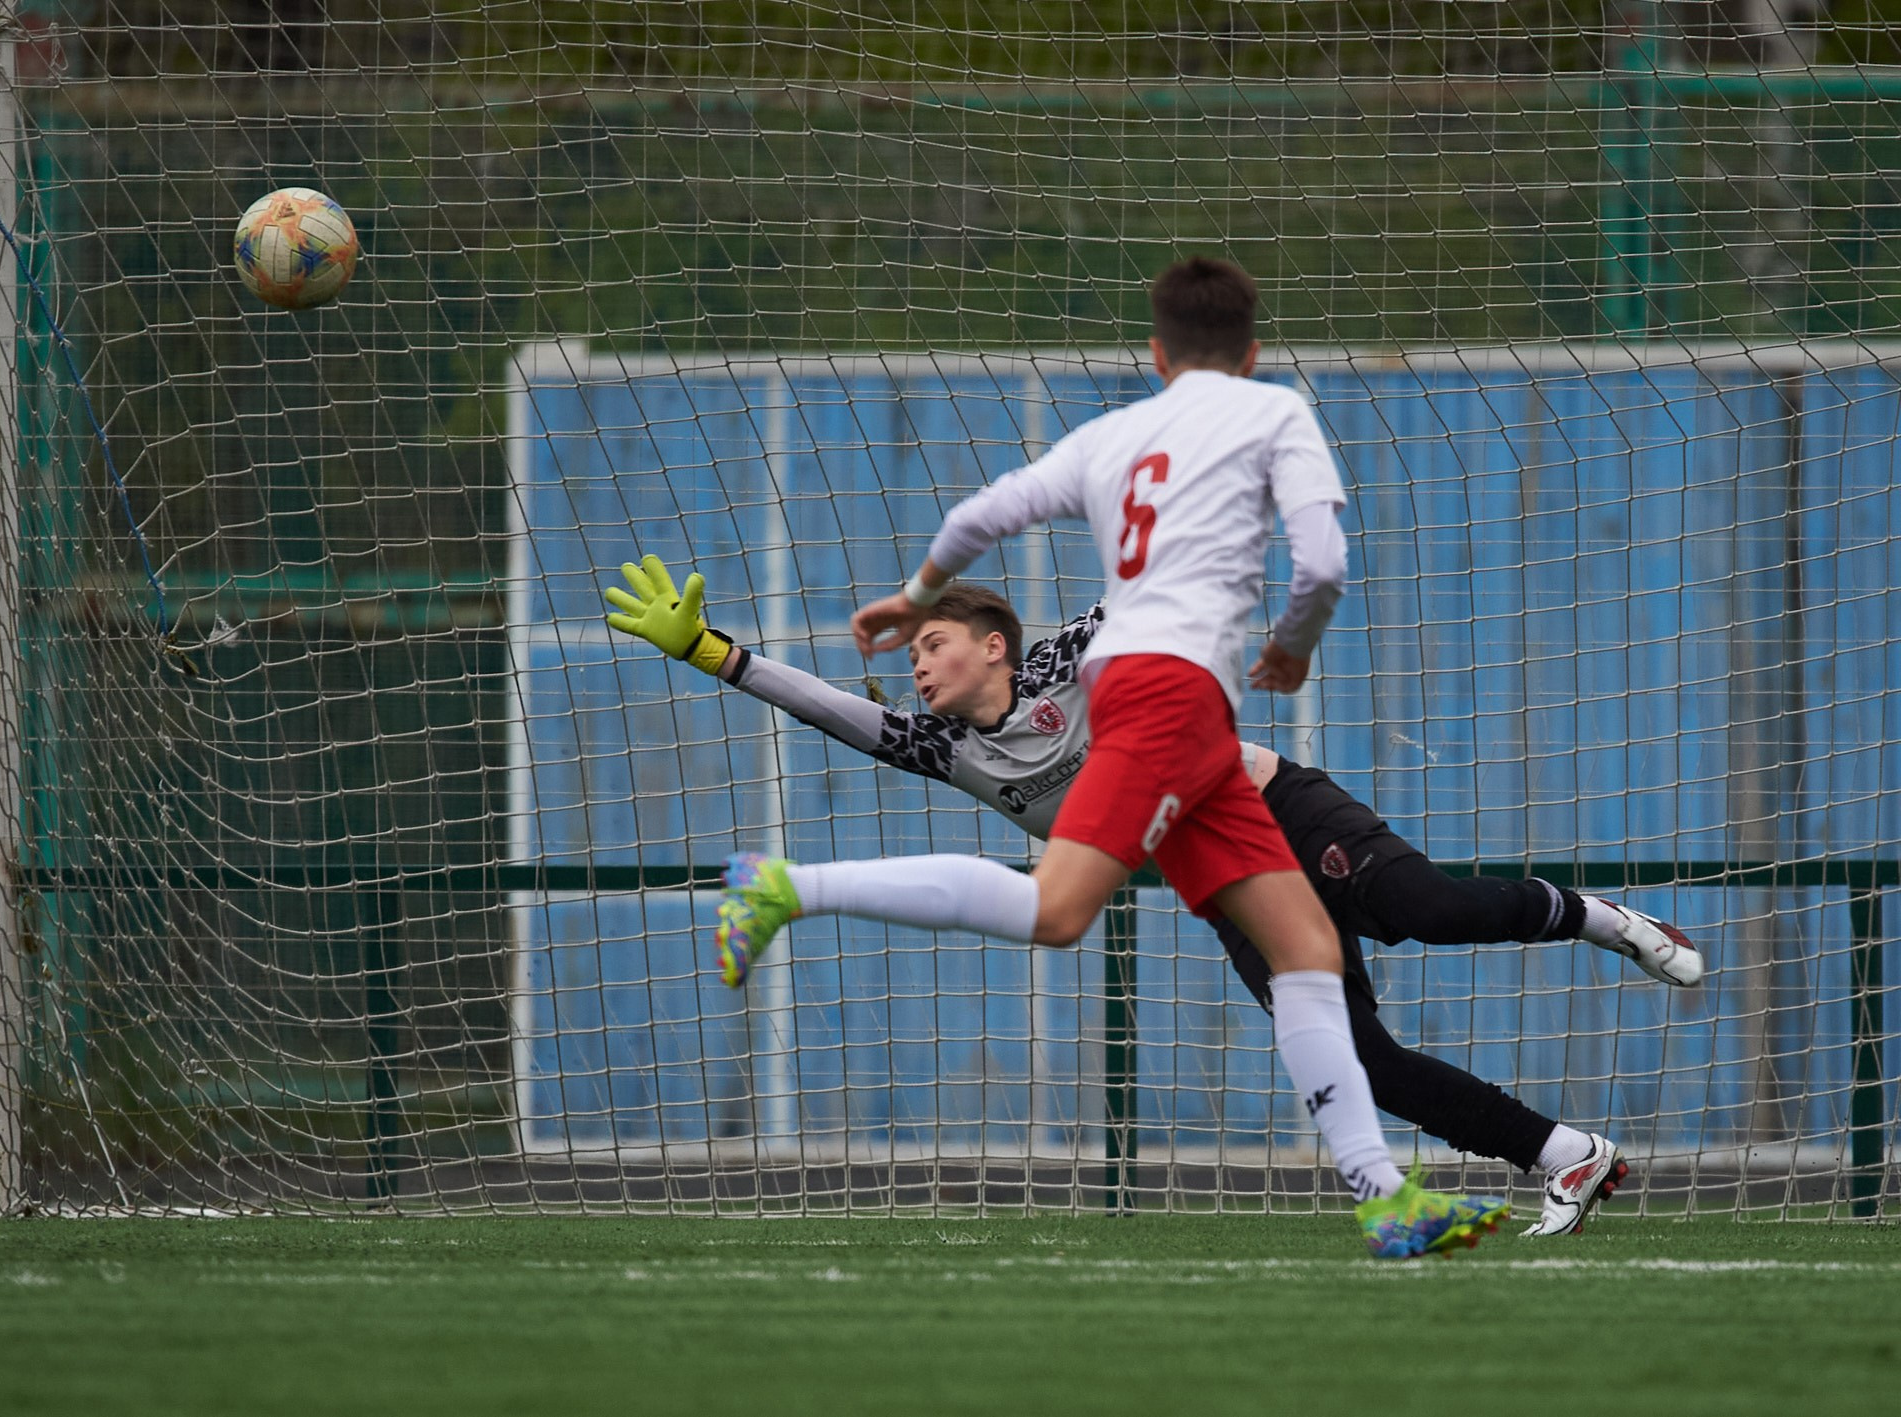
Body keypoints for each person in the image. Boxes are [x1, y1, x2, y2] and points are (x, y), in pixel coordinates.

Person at [666, 255, 1493, 1256]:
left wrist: (917, 589)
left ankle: (1383, 1197)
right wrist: (1294, 644)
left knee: (1307, 953)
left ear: (1155, 354)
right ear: (1253, 352)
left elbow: (982, 515)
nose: (926, 658)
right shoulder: (1274, 416)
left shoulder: (1113, 434)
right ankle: (786, 885)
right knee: (1059, 911)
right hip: (1170, 694)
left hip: (1164, 708)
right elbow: (1320, 562)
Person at [606, 561, 1700, 1236]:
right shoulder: (946, 747)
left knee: (1422, 905)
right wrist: (713, 652)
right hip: (1222, 879)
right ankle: (1562, 1154)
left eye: (933, 643)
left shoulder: (1072, 662)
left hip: (1282, 811)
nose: (918, 666)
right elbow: (835, 709)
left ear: (996, 645)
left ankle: (1605, 918)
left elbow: (1148, 588)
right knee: (1360, 1058)